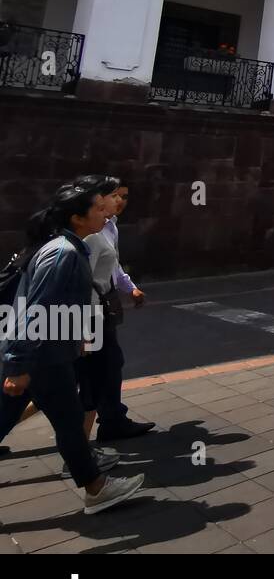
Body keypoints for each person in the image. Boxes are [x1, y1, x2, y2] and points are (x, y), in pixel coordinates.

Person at [1, 183, 144, 514]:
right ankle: (96, 488)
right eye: (98, 208)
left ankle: (96, 487)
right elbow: (35, 309)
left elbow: (62, 303)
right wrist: (18, 364)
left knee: (58, 422)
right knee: (68, 422)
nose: (105, 212)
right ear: (78, 217)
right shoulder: (63, 252)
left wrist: (76, 335)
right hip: (43, 356)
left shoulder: (70, 246)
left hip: (49, 350)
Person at [76, 175, 153, 442]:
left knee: (106, 370)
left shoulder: (108, 227)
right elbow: (82, 283)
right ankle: (80, 451)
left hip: (101, 308)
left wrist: (129, 287)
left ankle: (111, 421)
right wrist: (83, 330)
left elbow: (113, 264)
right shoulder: (92, 235)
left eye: (124, 196)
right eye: (113, 196)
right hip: (90, 314)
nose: (119, 201)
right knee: (84, 381)